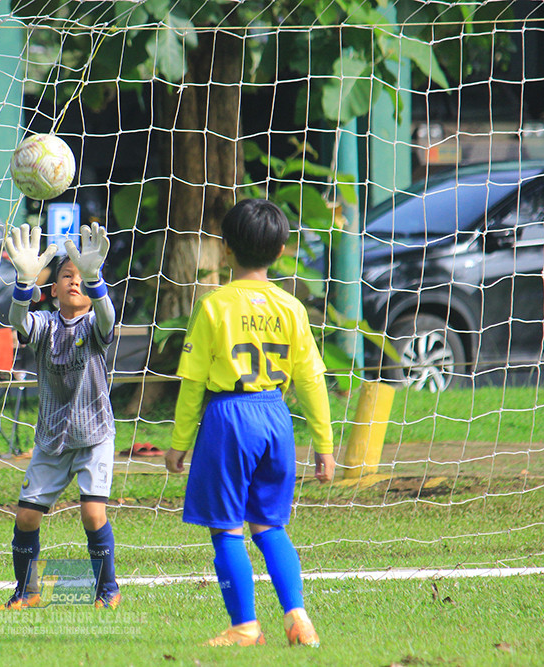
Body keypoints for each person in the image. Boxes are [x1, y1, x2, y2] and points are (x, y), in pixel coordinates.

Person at [164, 199, 336, 648]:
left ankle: (244, 626)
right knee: (270, 526)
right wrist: (324, 445)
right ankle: (297, 616)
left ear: (225, 250)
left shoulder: (213, 307)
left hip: (229, 417)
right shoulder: (292, 308)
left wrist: (180, 442)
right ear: (281, 251)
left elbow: (193, 384)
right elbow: (312, 380)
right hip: (276, 418)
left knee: (226, 528)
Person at [0, 222, 120, 610]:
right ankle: (27, 591)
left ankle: (108, 589)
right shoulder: (46, 325)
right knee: (26, 519)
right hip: (52, 439)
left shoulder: (94, 324)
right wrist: (23, 281)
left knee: (92, 515)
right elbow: (19, 322)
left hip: (94, 435)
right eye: (68, 275)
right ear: (52, 291)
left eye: (82, 277)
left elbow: (108, 317)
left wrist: (95, 276)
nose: (75, 282)